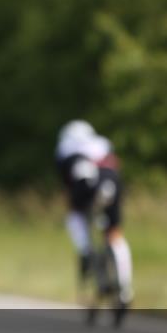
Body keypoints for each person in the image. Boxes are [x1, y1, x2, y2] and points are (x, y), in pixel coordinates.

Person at [54, 120, 134, 307]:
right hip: (110, 183)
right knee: (114, 234)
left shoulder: (64, 148)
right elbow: (116, 167)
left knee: (75, 216)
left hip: (84, 184)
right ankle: (125, 288)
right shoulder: (103, 144)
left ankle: (85, 250)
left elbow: (66, 183)